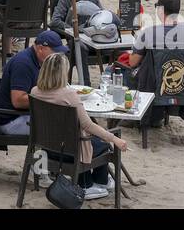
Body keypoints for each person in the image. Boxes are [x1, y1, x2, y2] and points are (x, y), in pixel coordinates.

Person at [30, 52, 128, 199]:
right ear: (63, 73)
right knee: (102, 144)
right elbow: (88, 125)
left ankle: (95, 182)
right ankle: (90, 184)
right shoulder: (68, 95)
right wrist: (114, 139)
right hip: (69, 153)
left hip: (46, 149)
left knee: (90, 142)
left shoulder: (34, 92)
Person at [0, 30, 68, 135]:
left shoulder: (37, 60)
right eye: (54, 52)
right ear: (41, 49)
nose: (57, 56)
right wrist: (50, 97)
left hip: (24, 115)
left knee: (67, 120)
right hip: (12, 121)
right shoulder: (23, 64)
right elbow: (18, 101)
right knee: (65, 128)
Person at [124, 0, 184, 69]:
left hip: (153, 81)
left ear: (160, 10)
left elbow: (132, 63)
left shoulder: (149, 33)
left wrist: (127, 53)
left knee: (111, 70)